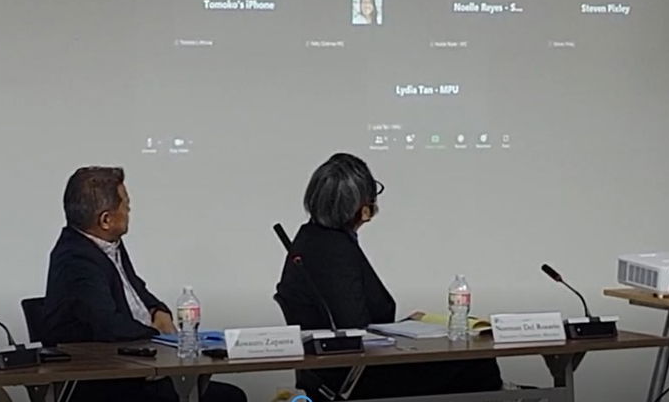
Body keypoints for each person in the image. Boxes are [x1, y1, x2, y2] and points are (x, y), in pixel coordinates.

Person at [275, 154, 503, 400]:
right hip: (354, 375)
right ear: (362, 206)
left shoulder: (311, 238)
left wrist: (402, 326)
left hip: (330, 373)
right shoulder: (335, 250)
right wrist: (398, 330)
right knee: (477, 363)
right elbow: (353, 329)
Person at [41, 167, 246, 402]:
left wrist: (157, 310)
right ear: (106, 219)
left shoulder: (108, 244)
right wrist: (156, 335)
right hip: (109, 383)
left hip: (136, 367)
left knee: (227, 396)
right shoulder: (75, 259)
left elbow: (136, 290)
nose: (129, 211)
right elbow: (107, 324)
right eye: (126, 205)